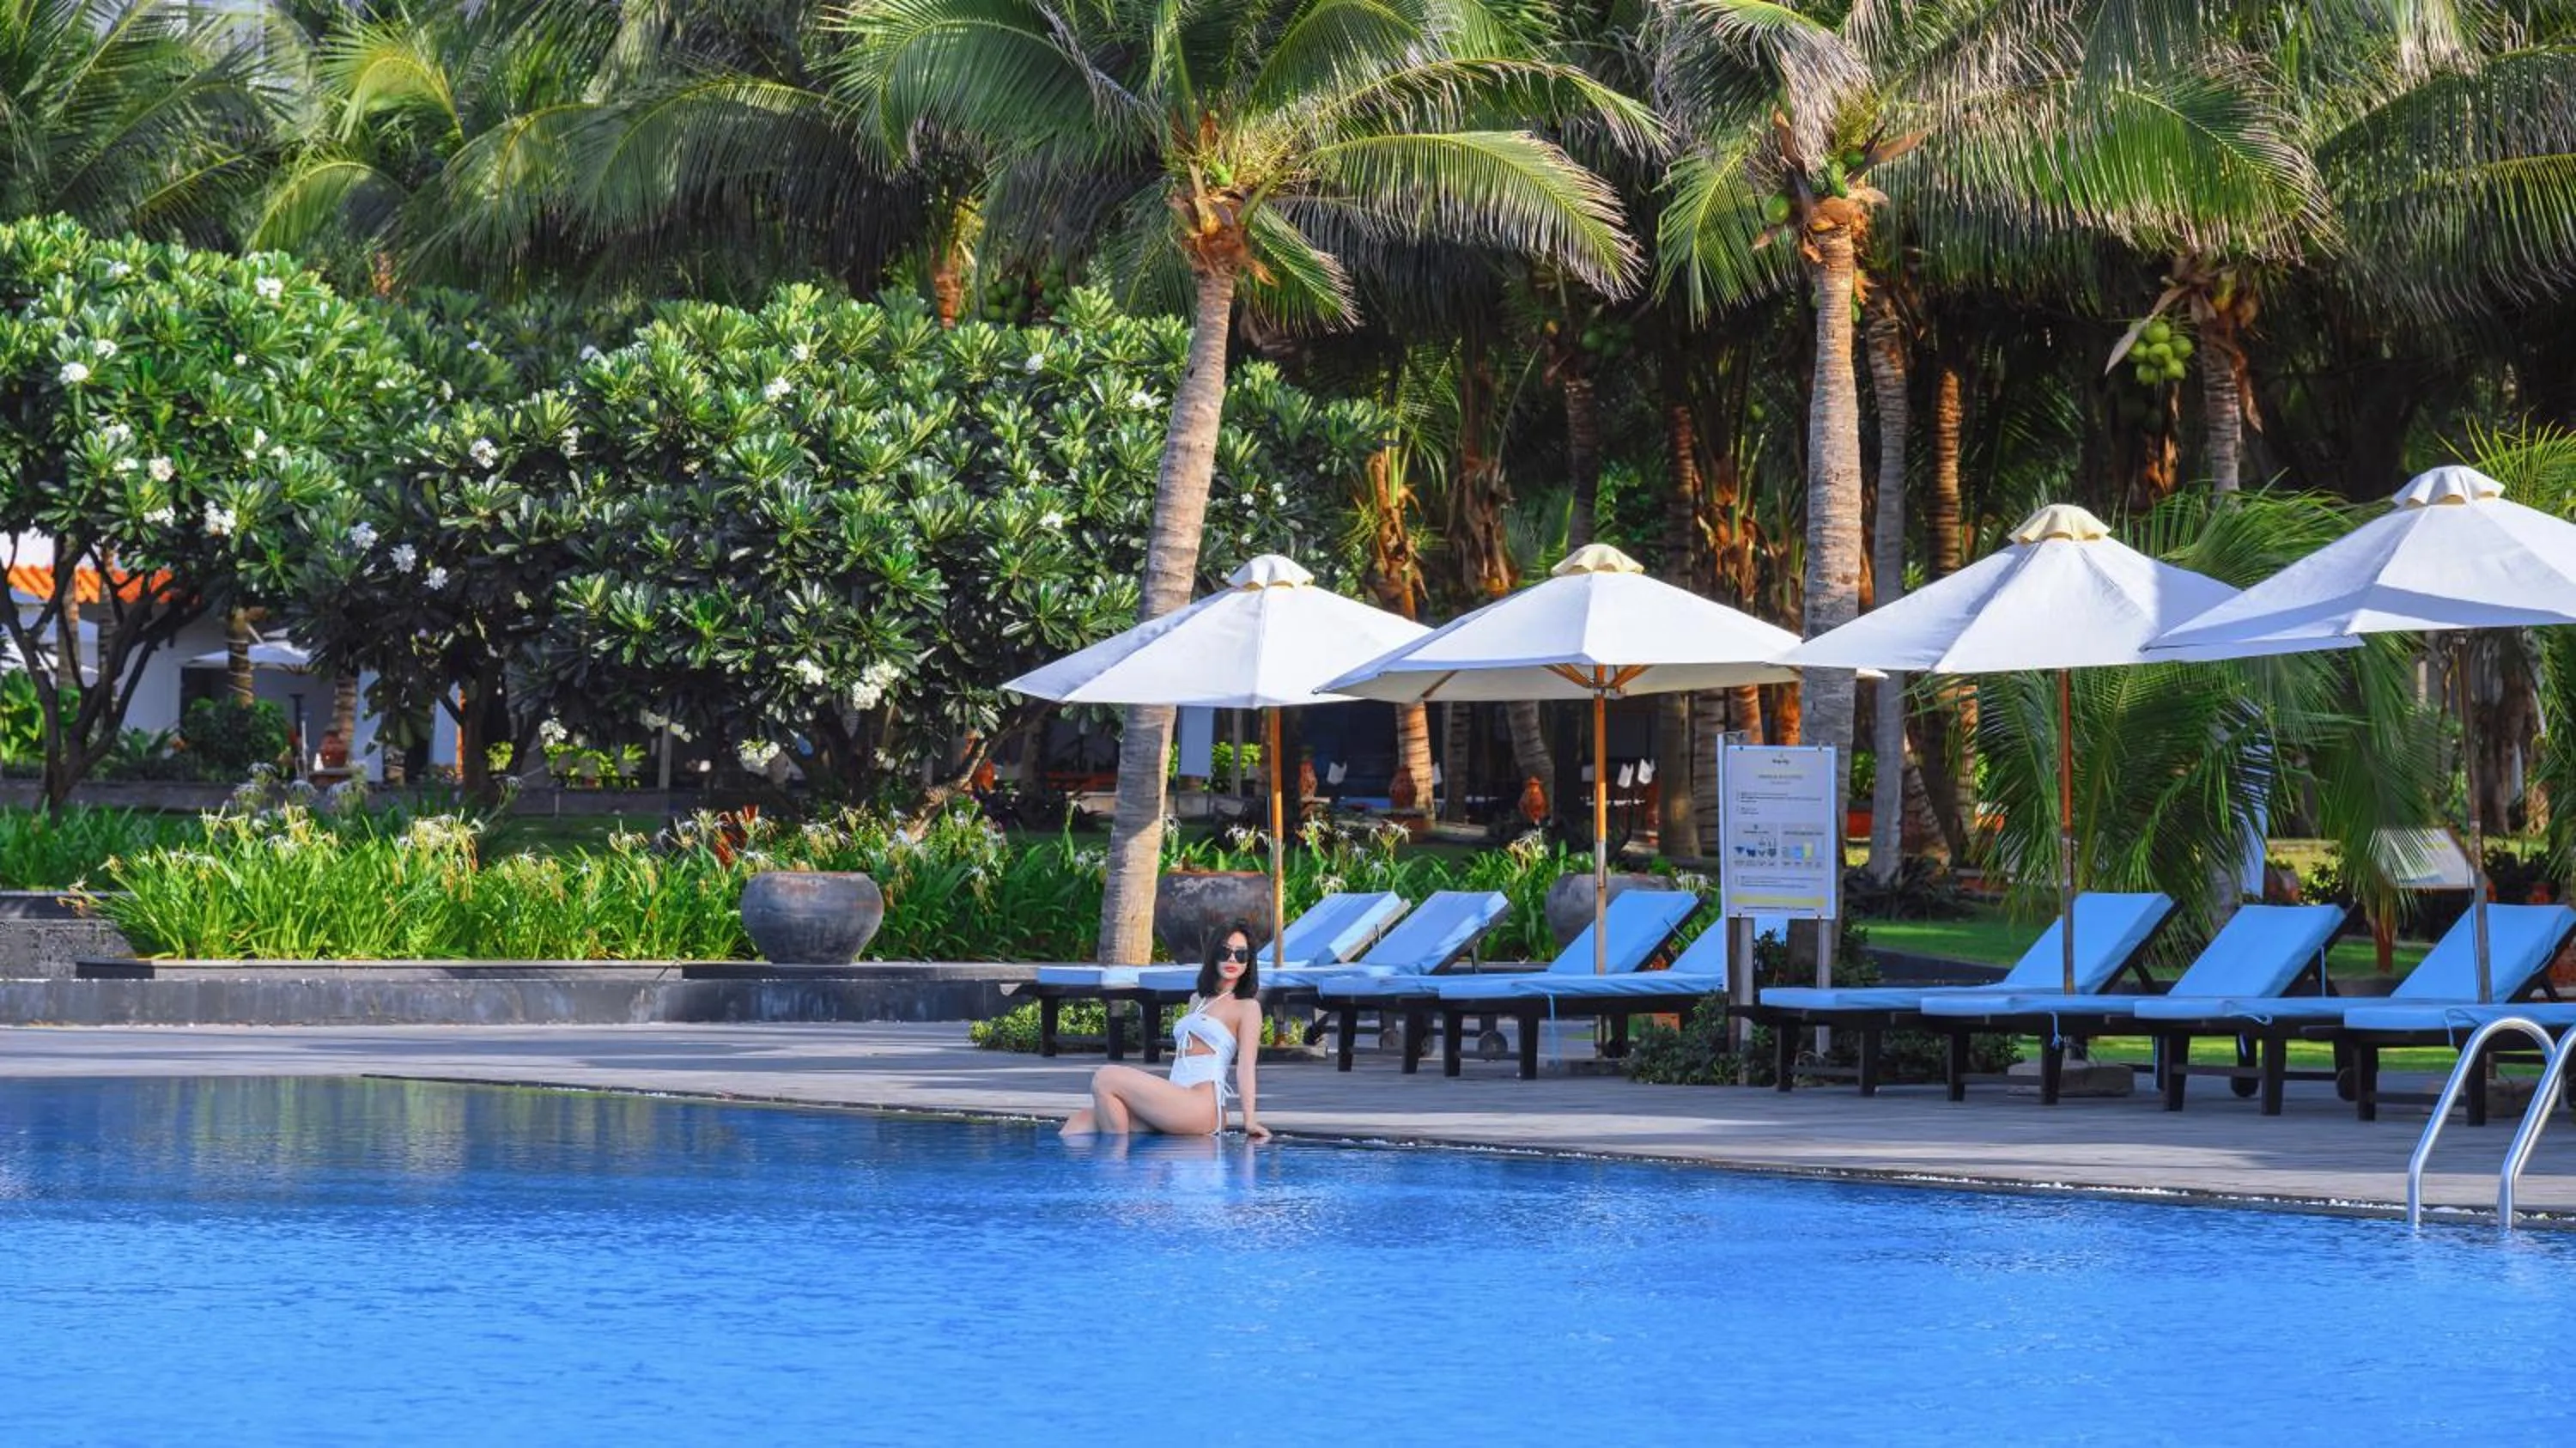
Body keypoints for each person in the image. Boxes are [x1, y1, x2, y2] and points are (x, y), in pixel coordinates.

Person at [1060, 923, 1270, 1141]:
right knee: (1078, 1123)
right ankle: (1117, 1163)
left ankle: (1118, 1165)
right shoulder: (1197, 1000)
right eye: (1225, 951)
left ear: (1249, 961)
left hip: (1203, 1105)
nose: (1232, 959)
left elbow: (1246, 1066)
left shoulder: (1246, 1007)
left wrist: (1249, 1120)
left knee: (1106, 1078)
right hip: (1177, 1098)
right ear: (1213, 953)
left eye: (1241, 954)